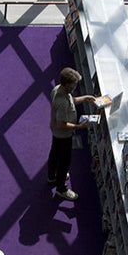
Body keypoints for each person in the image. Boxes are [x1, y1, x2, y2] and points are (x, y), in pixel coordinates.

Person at [48, 67, 96, 201]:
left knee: (54, 153)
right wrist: (79, 126)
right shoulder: (62, 102)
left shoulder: (58, 89)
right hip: (63, 135)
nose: (75, 86)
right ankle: (61, 189)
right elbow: (61, 124)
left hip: (56, 133)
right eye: (73, 84)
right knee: (64, 162)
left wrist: (85, 98)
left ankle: (52, 176)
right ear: (66, 84)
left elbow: (72, 101)